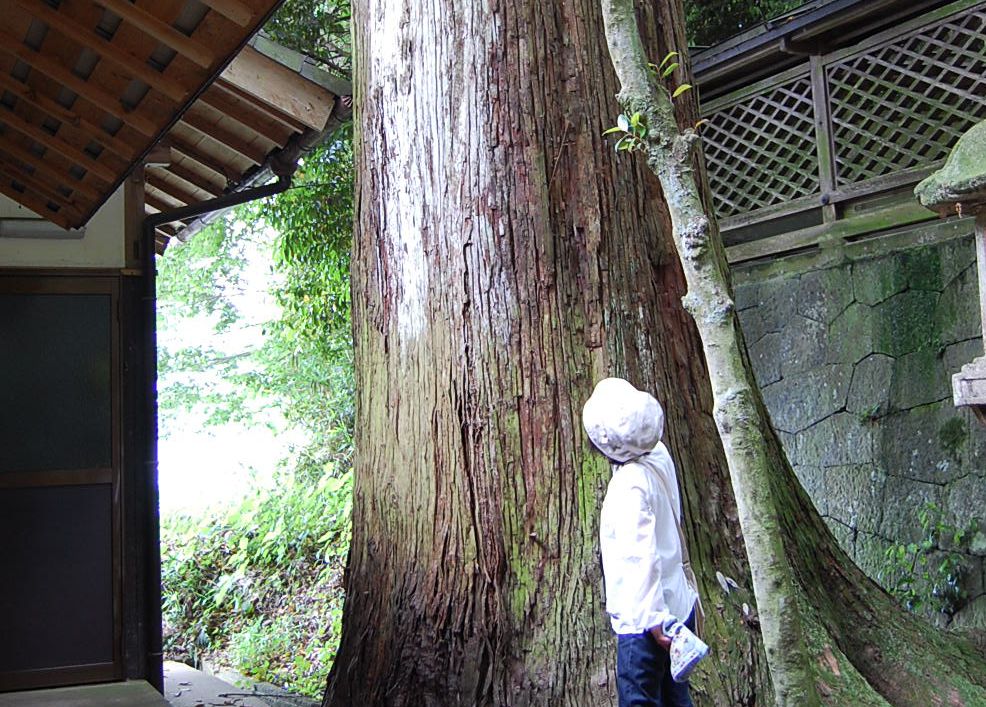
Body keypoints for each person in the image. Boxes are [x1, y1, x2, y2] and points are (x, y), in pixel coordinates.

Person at [582, 377, 701, 707]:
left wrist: (654, 621)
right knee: (676, 696)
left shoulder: (630, 487)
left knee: (642, 698)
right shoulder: (658, 453)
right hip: (679, 605)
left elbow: (640, 556)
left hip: (648, 625)